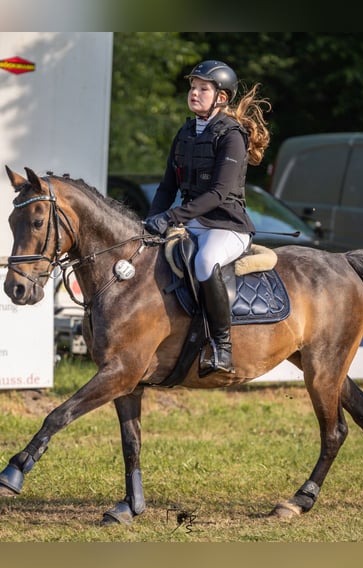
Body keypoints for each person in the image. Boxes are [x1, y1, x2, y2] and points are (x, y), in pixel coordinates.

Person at [143, 60, 271, 376]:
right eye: (192, 87)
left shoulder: (232, 136)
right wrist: (150, 221)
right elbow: (166, 186)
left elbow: (217, 194)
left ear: (221, 97)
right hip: (193, 223)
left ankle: (223, 347)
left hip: (227, 226)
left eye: (203, 88)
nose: (194, 93)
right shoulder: (185, 132)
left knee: (205, 261)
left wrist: (172, 217)